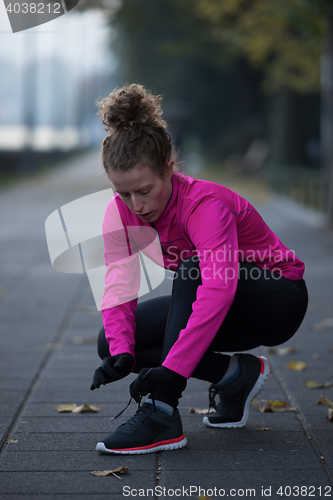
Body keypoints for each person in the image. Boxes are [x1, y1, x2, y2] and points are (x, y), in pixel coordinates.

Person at [90, 84, 308, 455]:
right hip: (224, 308)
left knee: (193, 271)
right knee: (109, 343)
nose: (136, 205)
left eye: (144, 190)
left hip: (275, 298)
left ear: (169, 169)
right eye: (123, 193)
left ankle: (161, 412)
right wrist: (124, 352)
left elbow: (217, 289)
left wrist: (171, 375)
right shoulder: (120, 212)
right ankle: (236, 376)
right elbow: (119, 286)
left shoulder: (203, 205)